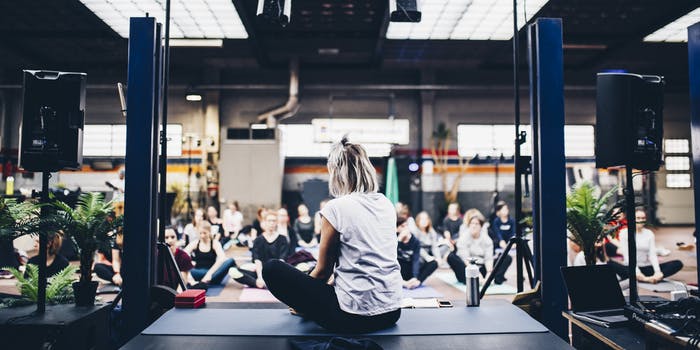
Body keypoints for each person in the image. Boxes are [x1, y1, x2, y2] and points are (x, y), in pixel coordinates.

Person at [262, 137, 402, 333]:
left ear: (337, 173)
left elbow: (323, 273)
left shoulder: (336, 207)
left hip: (352, 317)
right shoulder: (386, 204)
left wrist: (302, 299)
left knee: (272, 269)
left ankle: (304, 309)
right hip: (391, 312)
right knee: (309, 269)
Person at [610, 210, 683, 283]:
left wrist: (657, 271)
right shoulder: (624, 233)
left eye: (643, 218)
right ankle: (645, 279)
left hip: (645, 267)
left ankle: (654, 277)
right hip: (630, 268)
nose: (641, 220)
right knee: (609, 264)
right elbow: (627, 256)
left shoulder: (649, 233)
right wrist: (638, 273)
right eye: (638, 218)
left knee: (677, 263)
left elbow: (652, 255)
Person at [229, 211, 289, 288]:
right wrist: (260, 277)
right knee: (233, 271)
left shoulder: (282, 239)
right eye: (269, 221)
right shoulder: (258, 240)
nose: (271, 223)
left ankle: (270, 283)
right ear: (264, 222)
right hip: (261, 272)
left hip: (277, 272)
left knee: (302, 267)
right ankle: (258, 283)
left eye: (274, 221)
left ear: (277, 222)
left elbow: (282, 260)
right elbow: (257, 260)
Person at [448, 214, 512, 285]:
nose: (474, 226)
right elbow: (465, 259)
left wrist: (489, 273)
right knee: (451, 257)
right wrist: (477, 275)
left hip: (482, 266)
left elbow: (488, 258)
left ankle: (493, 278)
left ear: (481, 226)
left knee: (506, 257)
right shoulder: (463, 238)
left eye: (476, 224)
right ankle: (472, 280)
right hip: (468, 268)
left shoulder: (487, 239)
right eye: (472, 223)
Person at [397, 216, 438, 289]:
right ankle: (404, 283)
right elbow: (391, 257)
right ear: (397, 229)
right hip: (398, 271)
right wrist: (399, 240)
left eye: (407, 226)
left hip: (410, 271)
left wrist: (415, 277)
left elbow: (415, 260)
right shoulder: (394, 239)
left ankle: (416, 282)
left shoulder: (415, 241)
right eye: (402, 226)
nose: (406, 228)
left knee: (434, 263)